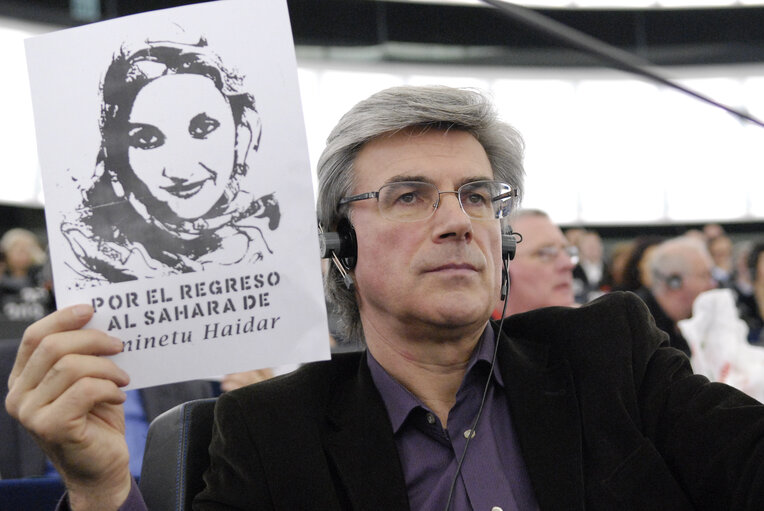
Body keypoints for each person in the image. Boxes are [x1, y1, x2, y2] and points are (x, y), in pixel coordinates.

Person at [6, 86, 764, 510]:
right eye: (409, 196)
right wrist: (102, 486)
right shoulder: (271, 429)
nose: (456, 221)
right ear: (341, 245)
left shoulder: (612, 353)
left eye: (476, 196)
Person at [61, 38, 279, 285]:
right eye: (147, 139)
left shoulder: (276, 234)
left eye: (203, 128)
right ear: (117, 154)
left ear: (243, 132)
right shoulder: (85, 255)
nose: (180, 170)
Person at [636, 235, 717, 358]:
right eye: (704, 276)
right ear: (675, 282)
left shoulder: (696, 321)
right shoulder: (637, 325)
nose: (713, 284)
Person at [494, 209, 577, 317]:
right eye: (545, 253)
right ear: (501, 271)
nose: (568, 264)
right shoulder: (475, 332)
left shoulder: (582, 327)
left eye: (568, 251)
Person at [0, 228, 54, 322]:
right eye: (17, 249)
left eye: (27, 249)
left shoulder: (43, 277)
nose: (22, 254)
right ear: (6, 252)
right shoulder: (3, 280)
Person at [572, 230, 612, 303]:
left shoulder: (612, 269)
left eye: (595, 243)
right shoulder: (573, 271)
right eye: (588, 244)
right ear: (580, 247)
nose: (592, 247)